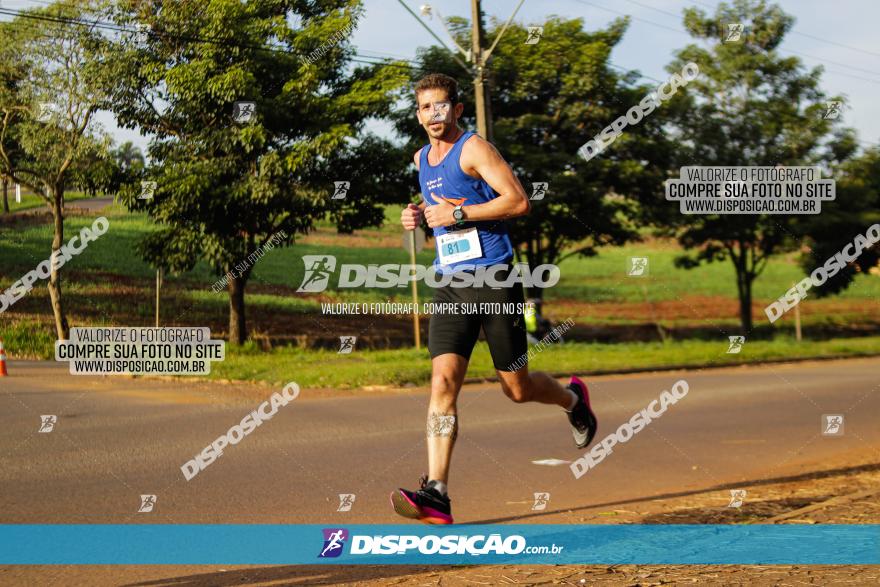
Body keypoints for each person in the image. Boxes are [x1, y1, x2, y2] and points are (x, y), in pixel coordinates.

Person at [390, 73, 598, 525]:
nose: (434, 114)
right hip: (450, 282)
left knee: (516, 388)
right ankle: (437, 492)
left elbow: (518, 202)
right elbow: (441, 209)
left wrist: (458, 212)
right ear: (419, 113)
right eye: (425, 107)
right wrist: (419, 216)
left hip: (495, 278)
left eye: (442, 105)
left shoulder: (476, 149)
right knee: (442, 384)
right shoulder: (421, 157)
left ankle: (573, 401)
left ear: (458, 109)